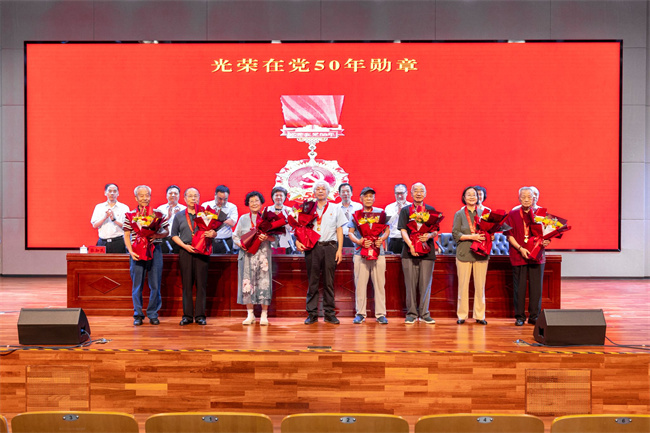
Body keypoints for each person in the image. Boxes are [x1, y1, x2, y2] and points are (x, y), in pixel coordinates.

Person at [297, 181, 348, 324]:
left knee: (328, 282)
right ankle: (312, 314)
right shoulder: (308, 208)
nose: (320, 191)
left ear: (328, 192)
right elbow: (300, 227)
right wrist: (297, 242)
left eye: (323, 189)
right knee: (313, 282)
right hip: (312, 248)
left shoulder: (335, 208)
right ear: (314, 192)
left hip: (330, 247)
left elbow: (339, 230)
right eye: (317, 189)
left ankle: (329, 313)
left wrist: (339, 250)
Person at [123, 185, 169, 326]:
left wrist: (157, 235)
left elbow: (166, 231)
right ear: (136, 198)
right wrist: (131, 251)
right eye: (141, 195)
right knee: (137, 285)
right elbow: (126, 235)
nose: (145, 198)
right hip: (136, 252)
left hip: (155, 250)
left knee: (155, 284)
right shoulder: (130, 215)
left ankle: (153, 314)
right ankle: (138, 314)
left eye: (147, 195)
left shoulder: (158, 214)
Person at [504, 187, 551, 326]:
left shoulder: (541, 214)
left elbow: (548, 233)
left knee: (536, 287)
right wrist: (520, 248)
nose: (526, 199)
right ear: (519, 198)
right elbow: (509, 236)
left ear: (534, 198)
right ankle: (519, 317)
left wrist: (547, 240)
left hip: (537, 254)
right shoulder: (513, 214)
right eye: (523, 197)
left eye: (529, 197)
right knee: (519, 287)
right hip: (518, 254)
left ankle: (534, 316)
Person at [172, 188, 217, 326]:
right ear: (184, 198)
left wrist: (213, 234)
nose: (193, 198)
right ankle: (187, 316)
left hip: (202, 251)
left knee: (201, 284)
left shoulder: (206, 215)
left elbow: (214, 231)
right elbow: (174, 235)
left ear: (199, 197)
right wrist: (184, 246)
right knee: (187, 284)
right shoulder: (179, 215)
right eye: (190, 196)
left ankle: (200, 316)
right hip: (185, 251)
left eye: (195, 196)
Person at [348, 187, 390, 324]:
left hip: (378, 253)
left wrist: (381, 239)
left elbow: (387, 230)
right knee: (360, 284)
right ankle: (360, 313)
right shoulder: (356, 214)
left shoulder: (380, 213)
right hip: (360, 253)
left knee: (379, 284)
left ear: (374, 199)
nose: (368, 198)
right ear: (361, 198)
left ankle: (381, 314)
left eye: (371, 196)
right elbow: (350, 233)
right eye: (366, 196)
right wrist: (359, 241)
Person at [398, 182, 438, 324]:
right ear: (411, 193)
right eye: (416, 190)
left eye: (421, 191)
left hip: (427, 251)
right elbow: (403, 230)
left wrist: (429, 236)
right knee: (410, 284)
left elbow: (435, 230)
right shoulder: (405, 210)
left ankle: (424, 313)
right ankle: (411, 313)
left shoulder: (431, 210)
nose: (419, 193)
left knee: (425, 284)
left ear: (425, 193)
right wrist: (411, 245)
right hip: (409, 252)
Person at [233, 191, 274, 325]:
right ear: (248, 204)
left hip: (263, 257)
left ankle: (264, 315)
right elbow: (235, 236)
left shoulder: (268, 219)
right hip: (247, 256)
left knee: (264, 283)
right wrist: (240, 244)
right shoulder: (243, 219)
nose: (254, 203)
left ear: (261, 203)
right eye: (251, 201)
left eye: (257, 201)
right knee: (247, 283)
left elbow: (275, 239)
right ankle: (250, 314)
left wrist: (267, 237)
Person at [452, 186, 489, 325]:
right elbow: (456, 234)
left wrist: (489, 235)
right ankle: (462, 315)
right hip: (464, 253)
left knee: (480, 286)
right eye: (469, 195)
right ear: (464, 198)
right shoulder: (459, 214)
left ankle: (480, 315)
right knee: (463, 286)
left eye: (474, 195)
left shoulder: (484, 213)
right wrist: (472, 237)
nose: (472, 197)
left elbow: (489, 232)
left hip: (481, 253)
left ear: (478, 197)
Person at [90, 183, 129, 253]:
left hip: (118, 242)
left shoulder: (124, 208)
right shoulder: (99, 207)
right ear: (105, 193)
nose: (112, 193)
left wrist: (114, 220)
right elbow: (94, 225)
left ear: (118, 193)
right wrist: (104, 218)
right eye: (110, 191)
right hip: (102, 242)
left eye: (114, 191)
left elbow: (127, 227)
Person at [202, 185, 238, 254]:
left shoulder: (232, 207)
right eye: (220, 199)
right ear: (215, 195)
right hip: (209, 240)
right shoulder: (206, 205)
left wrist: (220, 217)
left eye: (225, 199)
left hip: (225, 240)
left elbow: (232, 223)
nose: (222, 201)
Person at [155, 184, 186, 254]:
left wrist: (178, 216)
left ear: (179, 195)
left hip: (179, 240)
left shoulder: (184, 209)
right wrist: (168, 217)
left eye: (175, 193)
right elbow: (156, 226)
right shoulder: (160, 209)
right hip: (163, 239)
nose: (173, 195)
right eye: (170, 193)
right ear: (166, 195)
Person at [267, 186, 295, 254]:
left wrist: (285, 223)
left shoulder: (289, 210)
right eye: (276, 195)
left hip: (286, 242)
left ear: (285, 197)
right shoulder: (267, 210)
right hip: (271, 242)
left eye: (281, 195)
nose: (279, 197)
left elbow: (293, 228)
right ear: (272, 197)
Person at [385, 183, 411, 254]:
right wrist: (398, 212)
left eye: (402, 193)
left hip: (409, 238)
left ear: (406, 193)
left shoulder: (411, 206)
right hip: (394, 239)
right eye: (397, 193)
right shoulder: (389, 207)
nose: (399, 196)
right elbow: (388, 222)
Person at [338, 183, 363, 247]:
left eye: (348, 191)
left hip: (355, 237)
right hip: (340, 238)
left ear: (351, 193)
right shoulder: (336, 208)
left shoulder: (358, 207)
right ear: (339, 194)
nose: (345, 194)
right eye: (343, 192)